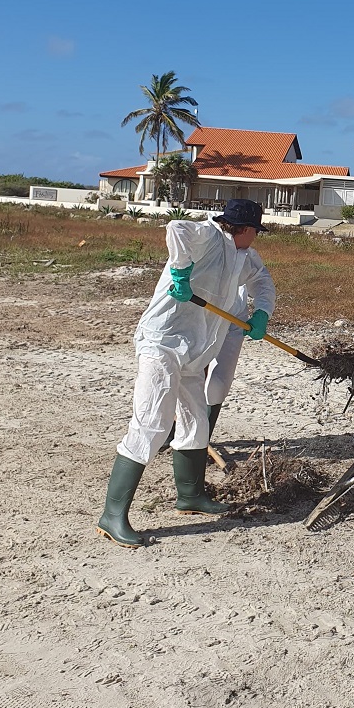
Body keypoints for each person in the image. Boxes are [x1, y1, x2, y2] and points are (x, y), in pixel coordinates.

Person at [97, 199, 276, 548]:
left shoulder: (245, 257)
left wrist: (262, 313)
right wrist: (180, 270)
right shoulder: (207, 235)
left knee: (196, 422)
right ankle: (112, 515)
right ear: (244, 228)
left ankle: (190, 496)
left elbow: (264, 283)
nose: (256, 237)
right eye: (255, 230)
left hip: (195, 351)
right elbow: (175, 229)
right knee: (152, 423)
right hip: (162, 343)